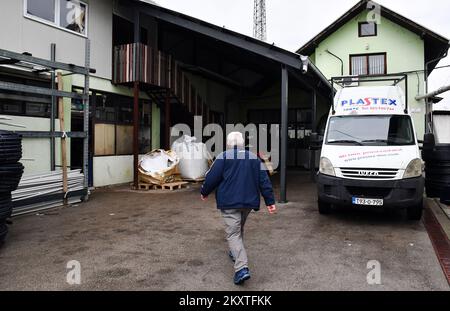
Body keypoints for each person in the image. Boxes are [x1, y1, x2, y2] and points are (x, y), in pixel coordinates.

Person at [201, 132, 276, 285]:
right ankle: (235, 252)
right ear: (242, 144)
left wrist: (204, 191)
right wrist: (270, 201)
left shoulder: (223, 157)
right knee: (238, 228)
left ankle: (241, 268)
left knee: (233, 233)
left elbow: (211, 177)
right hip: (248, 203)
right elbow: (264, 181)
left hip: (229, 202)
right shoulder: (254, 158)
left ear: (229, 144)